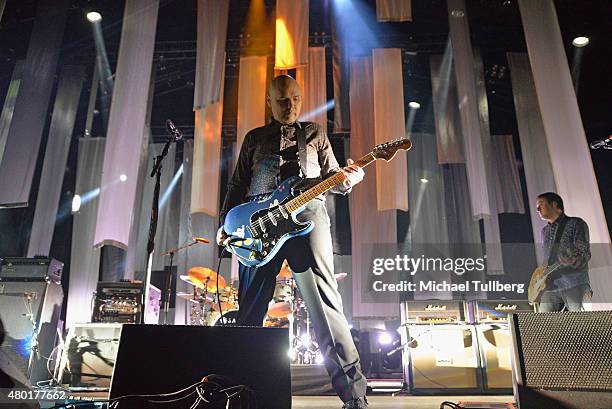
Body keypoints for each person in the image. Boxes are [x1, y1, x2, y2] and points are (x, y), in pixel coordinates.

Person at [217, 75, 368, 409]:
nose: (291, 106)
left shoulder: (315, 133)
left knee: (326, 305)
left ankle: (355, 398)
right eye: (283, 101)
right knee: (250, 309)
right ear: (269, 101)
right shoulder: (254, 137)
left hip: (308, 217)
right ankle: (239, 393)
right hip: (259, 225)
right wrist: (224, 224)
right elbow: (237, 184)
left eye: (296, 99)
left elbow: (335, 179)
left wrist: (351, 178)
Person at [535, 192, 592, 312]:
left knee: (581, 325)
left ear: (554, 204)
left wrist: (572, 260)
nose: (537, 209)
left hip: (574, 283)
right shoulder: (544, 231)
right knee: (544, 325)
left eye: (541, 204)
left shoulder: (576, 223)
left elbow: (584, 252)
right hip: (550, 286)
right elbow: (547, 260)